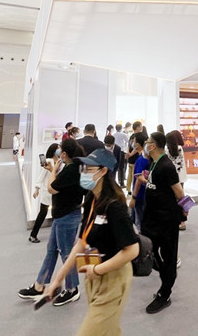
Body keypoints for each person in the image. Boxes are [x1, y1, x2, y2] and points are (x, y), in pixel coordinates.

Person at [42, 149, 139, 335]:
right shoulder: (91, 200)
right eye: (83, 168)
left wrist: (97, 270)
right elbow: (81, 242)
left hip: (113, 278)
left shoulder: (114, 206)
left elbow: (132, 250)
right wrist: (58, 279)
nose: (83, 173)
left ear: (103, 171)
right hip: (93, 276)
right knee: (107, 330)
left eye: (88, 169)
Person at [18, 139, 86, 306]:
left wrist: (54, 170)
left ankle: (72, 289)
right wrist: (53, 170)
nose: (58, 152)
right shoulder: (71, 167)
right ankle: (39, 285)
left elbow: (51, 188)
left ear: (65, 153)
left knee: (66, 253)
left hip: (67, 217)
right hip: (62, 215)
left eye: (60, 149)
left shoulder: (72, 169)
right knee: (51, 250)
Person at [141, 132, 185, 314]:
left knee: (168, 256)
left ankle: (165, 293)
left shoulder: (166, 166)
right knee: (147, 249)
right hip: (152, 218)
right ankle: (164, 272)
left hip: (166, 219)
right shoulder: (153, 163)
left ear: (153, 145)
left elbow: (180, 193)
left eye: (148, 142)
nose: (145, 144)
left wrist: (184, 213)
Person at [30, 143, 60, 243]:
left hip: (56, 192)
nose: (60, 150)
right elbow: (41, 176)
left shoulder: (60, 162)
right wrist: (37, 189)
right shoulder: (48, 161)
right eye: (58, 149)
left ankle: (55, 236)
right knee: (42, 213)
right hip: (47, 192)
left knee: (55, 214)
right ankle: (33, 235)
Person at [166, 130, 188, 231]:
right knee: (181, 199)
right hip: (181, 177)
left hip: (172, 178)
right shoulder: (180, 149)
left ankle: (175, 220)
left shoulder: (167, 151)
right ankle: (182, 221)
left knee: (172, 199)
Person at [130, 133, 149, 231]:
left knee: (140, 222)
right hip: (142, 194)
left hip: (140, 195)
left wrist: (134, 197)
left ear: (137, 144)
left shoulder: (141, 160)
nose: (132, 143)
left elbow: (138, 179)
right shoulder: (144, 158)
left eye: (134, 141)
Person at [125, 121, 143, 196]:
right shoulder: (138, 136)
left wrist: (129, 154)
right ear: (138, 127)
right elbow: (136, 148)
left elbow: (129, 146)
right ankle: (134, 190)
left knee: (130, 175)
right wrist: (131, 154)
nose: (142, 127)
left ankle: (128, 189)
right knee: (135, 175)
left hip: (131, 159)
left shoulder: (131, 136)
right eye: (141, 126)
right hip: (136, 158)